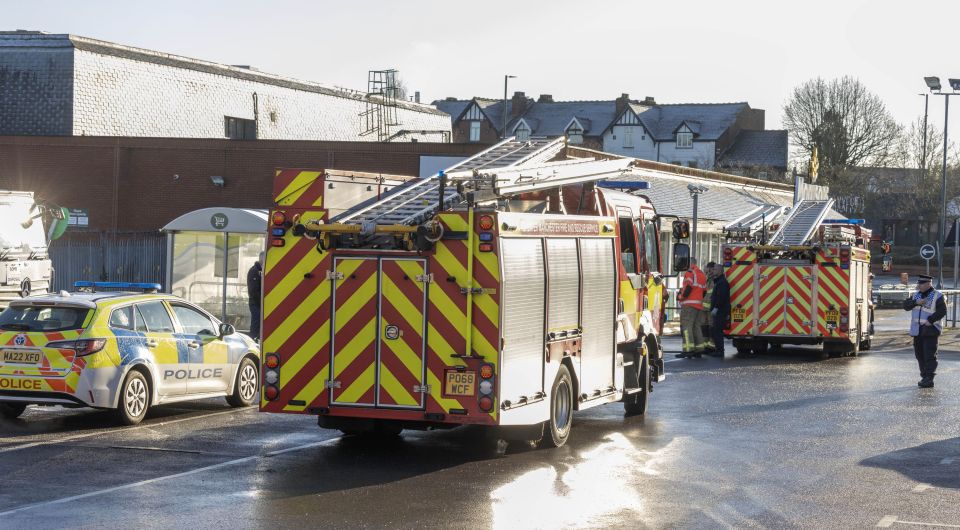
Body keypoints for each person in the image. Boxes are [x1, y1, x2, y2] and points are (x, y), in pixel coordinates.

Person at [902, 274, 946, 388]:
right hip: (917, 331)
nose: (919, 285)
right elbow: (906, 306)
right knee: (919, 355)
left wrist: (930, 320)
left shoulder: (938, 295)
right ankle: (924, 376)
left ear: (928, 284)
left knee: (929, 355)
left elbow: (942, 311)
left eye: (921, 284)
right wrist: (916, 303)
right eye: (918, 283)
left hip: (931, 330)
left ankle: (929, 378)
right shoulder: (916, 295)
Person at [676, 257, 708, 358]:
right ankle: (698, 349)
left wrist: (681, 297)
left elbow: (688, 287)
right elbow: (704, 291)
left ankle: (688, 350)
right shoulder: (702, 274)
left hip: (689, 304)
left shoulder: (690, 272)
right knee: (696, 327)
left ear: (690, 263)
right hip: (698, 305)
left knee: (686, 327)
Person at [709, 263, 731, 358]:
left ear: (720, 271)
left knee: (718, 331)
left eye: (715, 269)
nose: (713, 271)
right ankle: (718, 350)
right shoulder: (719, 281)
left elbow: (720, 297)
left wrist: (716, 308)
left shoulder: (722, 282)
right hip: (719, 310)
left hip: (720, 311)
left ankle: (720, 351)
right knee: (716, 331)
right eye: (713, 269)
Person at [247, 252, 264, 341]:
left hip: (258, 303)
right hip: (255, 303)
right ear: (261, 259)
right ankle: (252, 340)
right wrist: (262, 303)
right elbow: (253, 290)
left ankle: (256, 339)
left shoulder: (261, 271)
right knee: (256, 323)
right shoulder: (254, 271)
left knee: (259, 323)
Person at [701, 262, 717, 355]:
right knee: (704, 327)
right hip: (704, 307)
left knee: (711, 327)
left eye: (707, 269)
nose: (706, 271)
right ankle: (706, 346)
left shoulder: (714, 279)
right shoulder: (707, 278)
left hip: (710, 307)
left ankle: (712, 346)